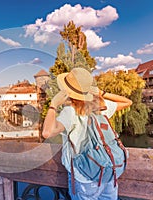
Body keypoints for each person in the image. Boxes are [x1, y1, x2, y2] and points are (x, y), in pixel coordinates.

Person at [42, 68, 132, 200]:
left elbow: (47, 132)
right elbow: (127, 102)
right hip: (108, 172)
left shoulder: (70, 112)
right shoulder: (100, 107)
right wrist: (102, 93)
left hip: (84, 177)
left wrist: (53, 105)